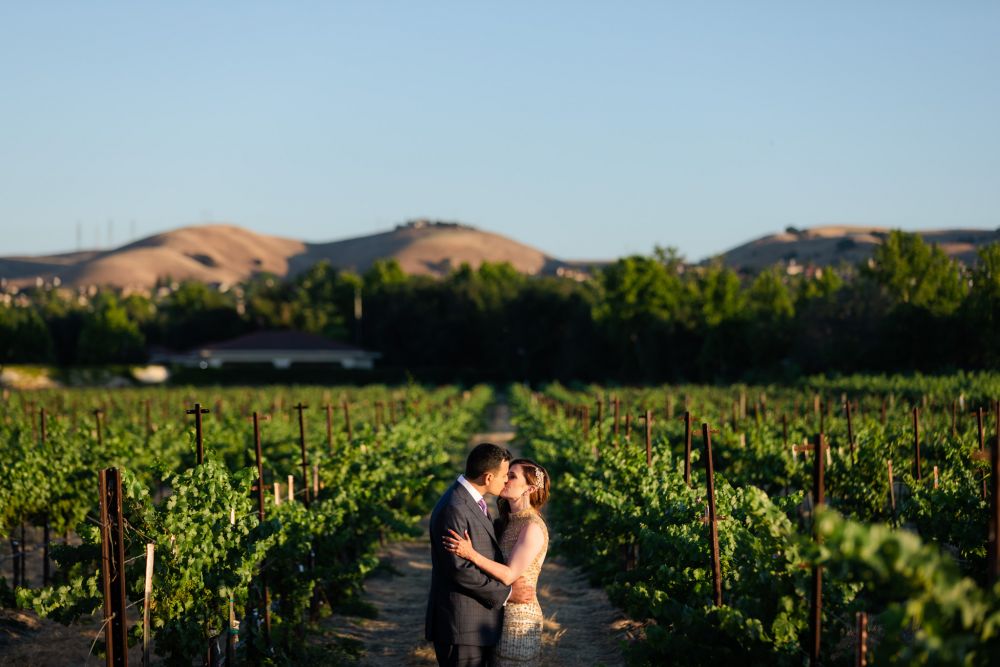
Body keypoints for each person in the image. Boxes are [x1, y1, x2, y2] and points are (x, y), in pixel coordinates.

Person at [426, 443, 535, 667]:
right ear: (487, 477)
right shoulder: (455, 508)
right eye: (505, 475)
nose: (506, 480)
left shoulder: (470, 501)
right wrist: (506, 594)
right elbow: (459, 570)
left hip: (474, 626)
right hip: (461, 626)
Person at [443, 458, 550, 667]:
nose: (505, 480)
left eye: (512, 476)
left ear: (529, 488)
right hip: (496, 612)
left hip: (519, 618)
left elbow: (509, 574)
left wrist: (471, 553)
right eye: (505, 475)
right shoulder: (507, 521)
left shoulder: (532, 527)